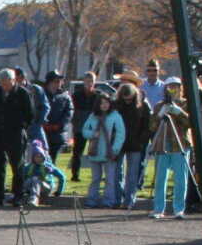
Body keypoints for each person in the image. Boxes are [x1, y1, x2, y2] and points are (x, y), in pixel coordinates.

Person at [148, 81, 191, 220]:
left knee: (180, 179)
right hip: (163, 144)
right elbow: (152, 126)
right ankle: (158, 209)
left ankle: (179, 209)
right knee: (160, 178)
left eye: (176, 87)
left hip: (180, 144)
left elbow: (190, 123)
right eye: (170, 87)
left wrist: (178, 111)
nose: (173, 90)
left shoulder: (186, 104)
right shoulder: (159, 105)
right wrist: (161, 114)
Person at [0, 69, 33, 205]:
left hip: (16, 133)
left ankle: (18, 195)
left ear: (13, 80)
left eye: (7, 82)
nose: (4, 86)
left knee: (17, 165)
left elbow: (29, 114)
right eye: (2, 83)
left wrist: (21, 126)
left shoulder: (22, 93)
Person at [79, 90, 125, 209]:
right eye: (101, 103)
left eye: (106, 102)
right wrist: (92, 134)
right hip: (95, 152)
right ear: (98, 104)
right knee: (95, 179)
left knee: (110, 179)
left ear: (110, 103)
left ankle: (108, 202)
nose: (104, 105)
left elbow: (120, 134)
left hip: (109, 153)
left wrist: (115, 149)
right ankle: (92, 200)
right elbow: (84, 130)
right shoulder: (92, 116)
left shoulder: (115, 116)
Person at [113, 82, 153, 210]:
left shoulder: (143, 106)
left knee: (132, 174)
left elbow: (147, 126)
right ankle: (117, 199)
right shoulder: (116, 105)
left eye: (130, 99)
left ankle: (129, 200)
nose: (128, 102)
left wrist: (142, 141)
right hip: (119, 143)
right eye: (125, 99)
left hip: (136, 143)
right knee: (117, 173)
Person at [18, 139, 66, 210]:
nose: (38, 158)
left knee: (35, 179)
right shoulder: (28, 167)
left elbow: (62, 177)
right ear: (33, 158)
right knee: (29, 179)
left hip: (46, 188)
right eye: (36, 157)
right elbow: (22, 179)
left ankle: (35, 199)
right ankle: (18, 196)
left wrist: (59, 191)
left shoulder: (48, 167)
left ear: (44, 157)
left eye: (40, 156)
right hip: (31, 187)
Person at [69, 71, 98, 182]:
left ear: (94, 82)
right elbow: (72, 111)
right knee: (77, 152)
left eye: (91, 81)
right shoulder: (76, 95)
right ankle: (75, 175)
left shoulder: (98, 96)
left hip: (93, 128)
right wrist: (75, 124)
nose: (89, 83)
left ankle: (96, 175)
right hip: (80, 127)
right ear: (83, 81)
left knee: (95, 151)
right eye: (87, 81)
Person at [40, 71, 73, 162]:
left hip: (57, 133)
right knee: (40, 157)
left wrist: (60, 125)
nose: (58, 84)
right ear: (48, 82)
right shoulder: (40, 94)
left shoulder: (65, 96)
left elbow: (69, 112)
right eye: (55, 81)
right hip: (42, 132)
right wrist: (41, 123)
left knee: (52, 159)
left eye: (59, 81)